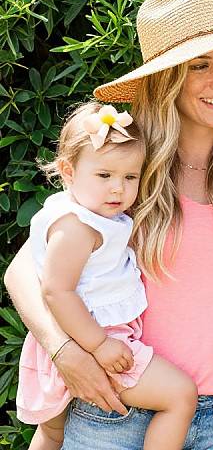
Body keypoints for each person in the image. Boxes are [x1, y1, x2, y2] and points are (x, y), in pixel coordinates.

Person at [5, 0, 213, 450]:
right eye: (200, 65)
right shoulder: (123, 167)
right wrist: (65, 350)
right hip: (117, 407)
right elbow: (26, 268)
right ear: (166, 78)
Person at [17, 101, 198, 450]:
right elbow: (56, 291)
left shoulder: (87, 214)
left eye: (130, 177)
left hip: (82, 338)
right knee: (180, 395)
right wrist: (99, 345)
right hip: (94, 339)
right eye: (104, 176)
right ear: (69, 171)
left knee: (53, 432)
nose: (118, 188)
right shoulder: (76, 228)